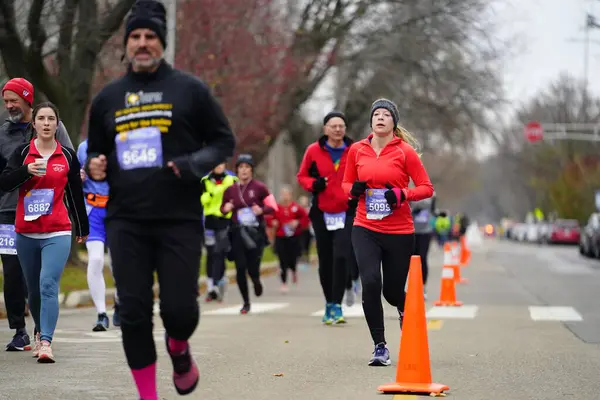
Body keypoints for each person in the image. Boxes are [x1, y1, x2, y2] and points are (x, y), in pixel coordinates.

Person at [84, 1, 236, 398]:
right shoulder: (108, 98)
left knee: (179, 312)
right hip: (126, 219)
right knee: (132, 313)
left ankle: (179, 347)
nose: (142, 43)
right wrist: (96, 168)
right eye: (135, 36)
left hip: (179, 217)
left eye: (150, 36)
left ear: (162, 42)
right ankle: (148, 395)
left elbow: (223, 141)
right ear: (127, 43)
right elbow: (97, 154)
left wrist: (192, 164)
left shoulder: (190, 90)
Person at [342, 98, 433, 366]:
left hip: (399, 231)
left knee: (392, 292)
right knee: (370, 282)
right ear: (371, 121)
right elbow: (346, 183)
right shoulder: (357, 150)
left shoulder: (405, 152)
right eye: (376, 114)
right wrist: (353, 191)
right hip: (365, 227)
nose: (380, 117)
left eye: (386, 115)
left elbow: (426, 187)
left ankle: (404, 309)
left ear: (394, 122)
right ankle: (379, 346)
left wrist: (402, 193)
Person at [0, 102, 89, 363]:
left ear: (57, 124)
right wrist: (25, 172)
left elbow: (75, 194)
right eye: (42, 119)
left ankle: (46, 340)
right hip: (26, 231)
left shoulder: (68, 156)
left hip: (57, 231)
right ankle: (38, 331)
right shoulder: (23, 152)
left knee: (48, 284)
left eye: (52, 119)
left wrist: (82, 227)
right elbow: (4, 183)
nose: (47, 123)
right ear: (34, 124)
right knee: (34, 289)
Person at [297, 110, 355, 325]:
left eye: (341, 126)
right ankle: (329, 302)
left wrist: (358, 189)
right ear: (325, 129)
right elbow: (301, 176)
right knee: (326, 259)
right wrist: (314, 184)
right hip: (322, 212)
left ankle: (338, 304)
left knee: (341, 255)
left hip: (346, 210)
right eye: (333, 126)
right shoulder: (313, 150)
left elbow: (364, 173)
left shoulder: (354, 150)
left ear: (345, 129)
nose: (338, 129)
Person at [221, 154, 275, 314]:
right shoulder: (230, 190)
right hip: (238, 232)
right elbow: (222, 209)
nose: (244, 170)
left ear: (251, 170)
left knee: (252, 267)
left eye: (247, 167)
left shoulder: (260, 187)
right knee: (240, 267)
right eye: (241, 167)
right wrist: (226, 209)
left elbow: (272, 206)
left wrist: (262, 209)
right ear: (237, 170)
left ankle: (256, 280)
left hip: (255, 233)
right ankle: (246, 302)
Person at [77, 139, 121, 330]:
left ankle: (120, 302)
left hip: (117, 211)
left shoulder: (122, 143)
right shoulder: (84, 147)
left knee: (119, 263)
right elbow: (74, 176)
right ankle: (101, 314)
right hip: (93, 211)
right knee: (95, 260)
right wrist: (77, 177)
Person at [200, 162, 237, 302]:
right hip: (209, 221)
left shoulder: (232, 179)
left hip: (225, 221)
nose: (219, 166)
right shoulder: (204, 180)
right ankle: (211, 287)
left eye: (221, 163)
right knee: (210, 253)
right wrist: (215, 192)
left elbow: (237, 197)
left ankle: (219, 281)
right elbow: (203, 200)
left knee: (219, 252)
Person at [271, 185, 309, 292]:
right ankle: (283, 283)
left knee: (292, 259)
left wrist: (297, 222)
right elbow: (270, 219)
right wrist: (273, 222)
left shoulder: (296, 207)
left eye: (287, 194)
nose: (285, 197)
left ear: (290, 195)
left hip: (294, 237)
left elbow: (305, 219)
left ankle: (293, 270)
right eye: (283, 194)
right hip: (280, 237)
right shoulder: (277, 208)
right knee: (282, 260)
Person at [411, 192, 436, 298]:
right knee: (411, 259)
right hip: (411, 230)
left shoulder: (432, 194)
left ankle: (422, 286)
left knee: (422, 257)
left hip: (425, 231)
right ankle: (411, 286)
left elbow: (433, 210)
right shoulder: (408, 191)